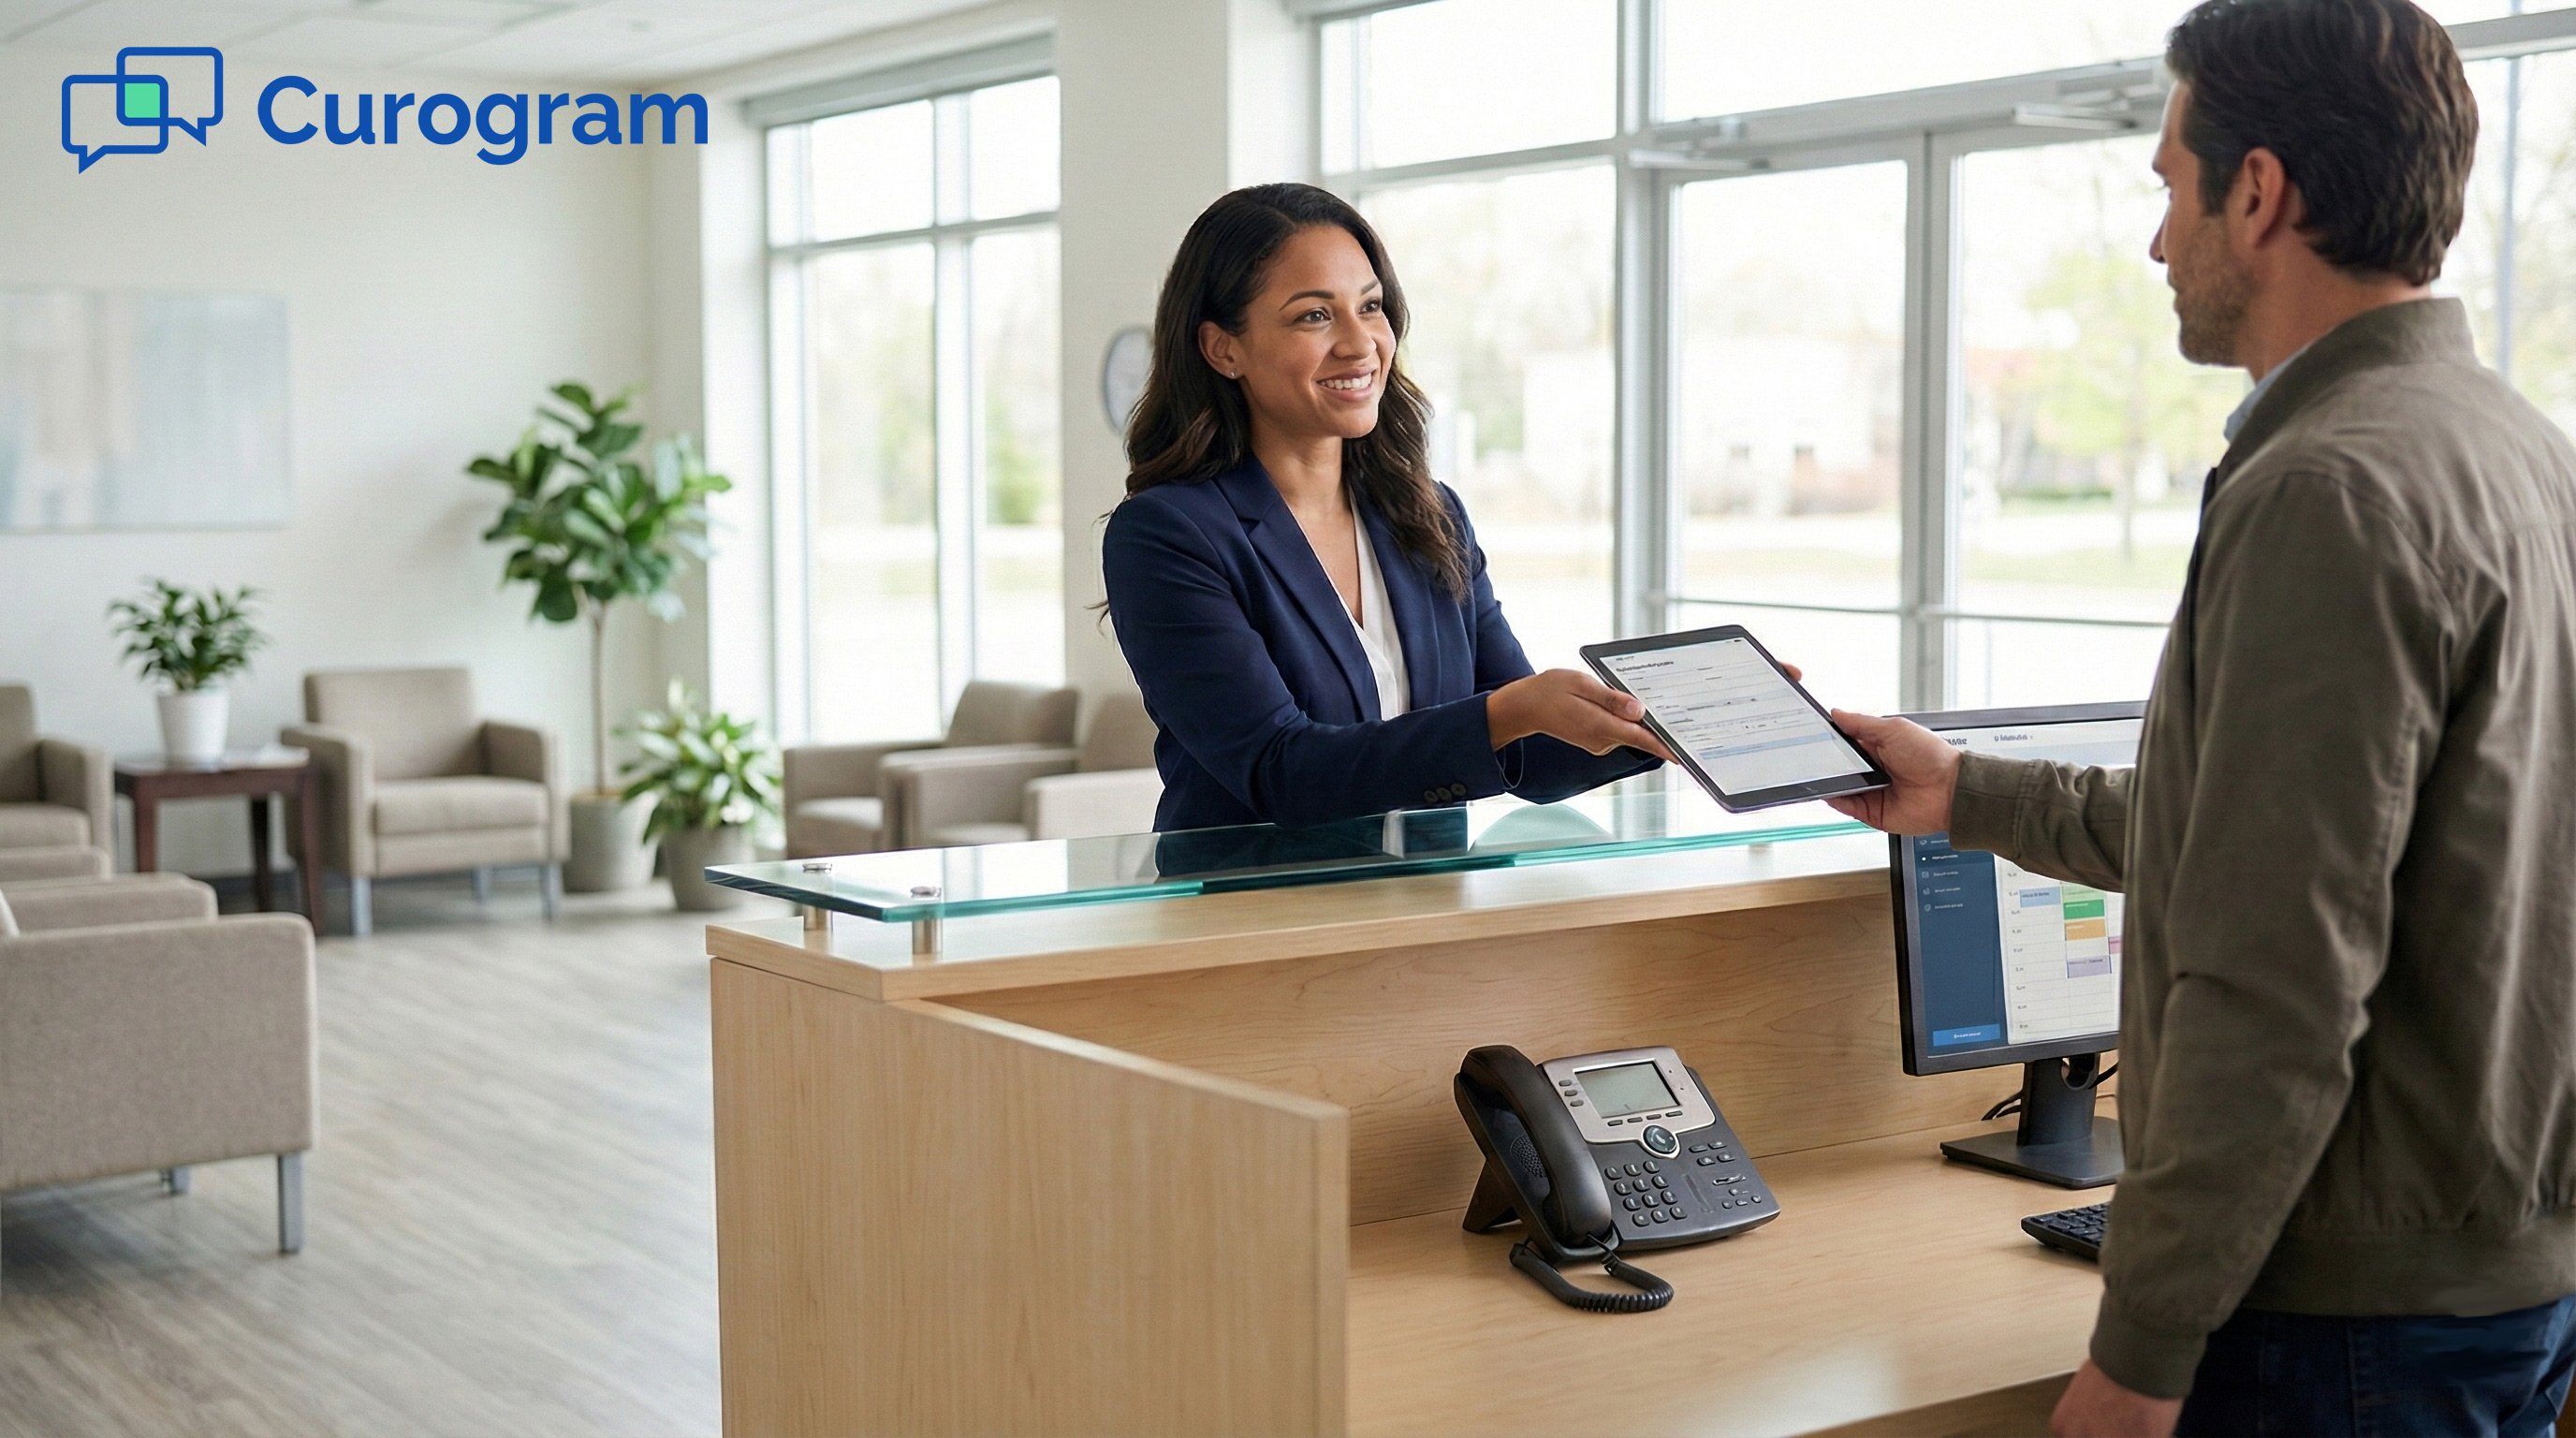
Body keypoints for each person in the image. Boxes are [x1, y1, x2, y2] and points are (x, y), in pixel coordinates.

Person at [1827, 3, 2576, 1434]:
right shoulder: (2518, 448)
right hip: (2502, 1268)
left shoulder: (2330, 489)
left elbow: (2272, 976)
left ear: (2259, 191)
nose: (2159, 240)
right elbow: (2278, 835)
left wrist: (2140, 1351)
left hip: (2344, 1319)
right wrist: (1962, 791)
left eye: (2172, 187)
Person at [1100, 183, 1668, 832]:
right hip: (1254, 920)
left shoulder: (1430, 517)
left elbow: (1529, 756)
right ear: (1222, 348)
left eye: (1370, 307)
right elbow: (1281, 771)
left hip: (1425, 916)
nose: (1360, 342)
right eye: (1315, 315)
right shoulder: (1169, 535)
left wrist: (1664, 724)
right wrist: (1510, 712)